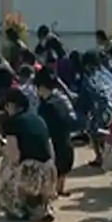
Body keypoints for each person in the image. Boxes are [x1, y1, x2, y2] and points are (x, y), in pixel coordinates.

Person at [0, 87, 58, 222]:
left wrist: (5, 150)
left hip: (31, 175)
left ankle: (16, 208)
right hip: (49, 172)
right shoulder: (38, 119)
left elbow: (15, 157)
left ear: (11, 105)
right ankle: (42, 206)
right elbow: (50, 149)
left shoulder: (12, 123)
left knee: (6, 165)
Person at [34, 68, 77, 197]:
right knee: (62, 162)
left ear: (41, 87)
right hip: (67, 147)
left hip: (54, 150)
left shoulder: (45, 107)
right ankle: (60, 187)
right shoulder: (61, 100)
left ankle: (52, 190)